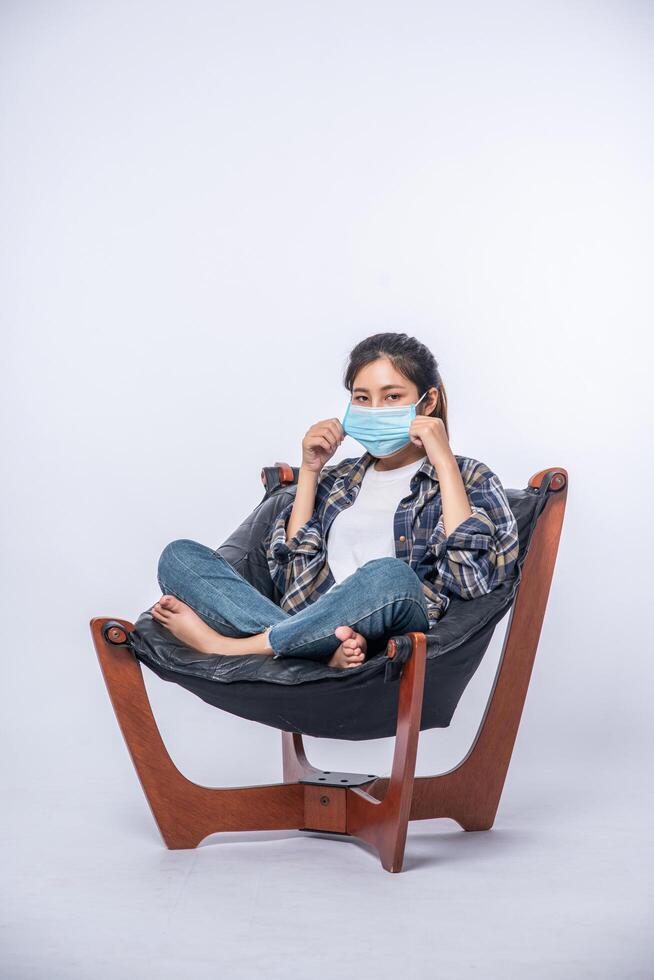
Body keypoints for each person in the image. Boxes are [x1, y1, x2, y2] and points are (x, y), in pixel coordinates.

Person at [150, 332, 519, 669]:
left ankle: (236, 646)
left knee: (389, 574)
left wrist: (444, 461)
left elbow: (472, 583)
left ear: (428, 402)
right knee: (178, 556)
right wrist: (310, 471)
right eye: (362, 398)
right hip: (323, 628)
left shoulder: (471, 476)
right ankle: (318, 649)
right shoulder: (339, 479)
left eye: (392, 397)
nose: (375, 410)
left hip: (390, 618)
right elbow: (291, 579)